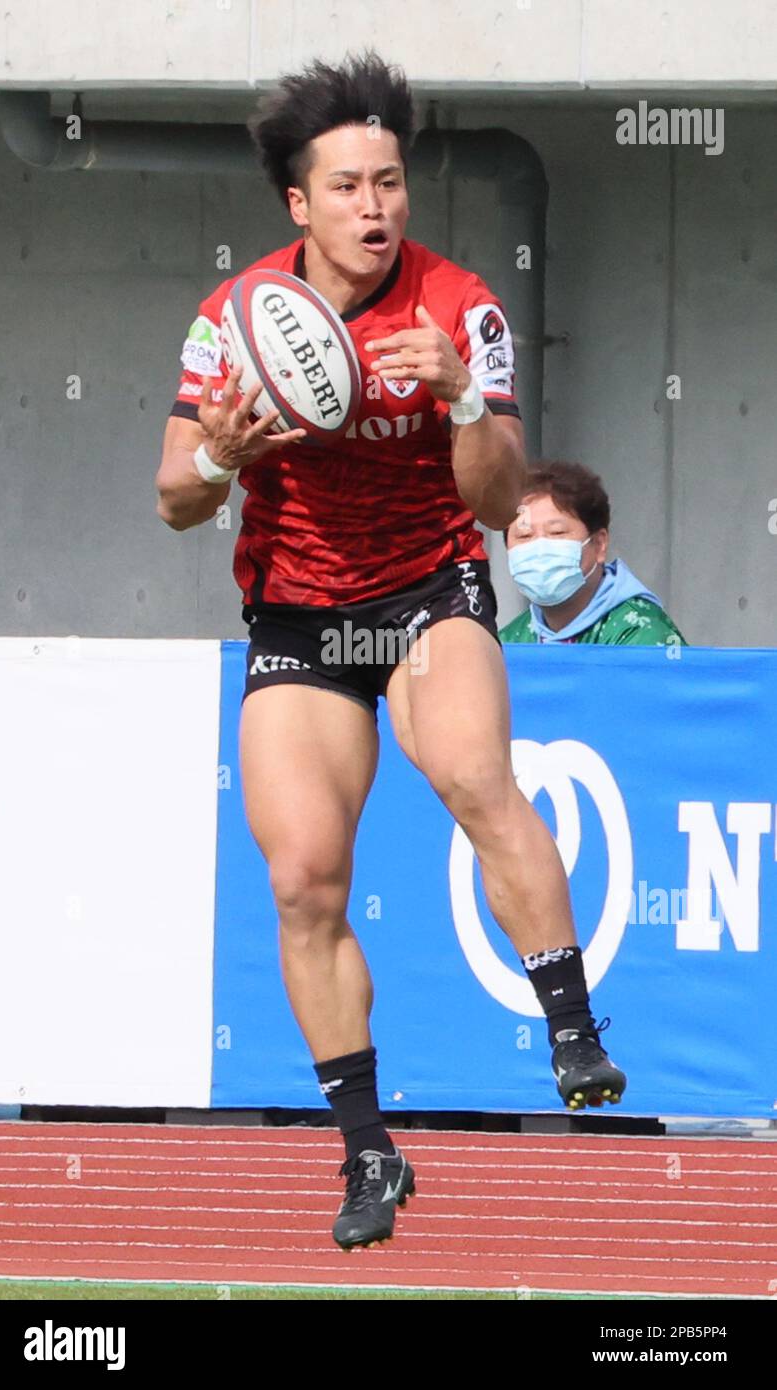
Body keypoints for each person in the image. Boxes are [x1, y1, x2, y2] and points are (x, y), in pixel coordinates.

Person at [156, 52, 626, 1251]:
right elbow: (171, 497)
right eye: (350, 187)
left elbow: (495, 497)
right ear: (297, 205)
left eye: (392, 182)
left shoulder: (456, 303)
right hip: (300, 613)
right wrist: (224, 456)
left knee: (473, 772)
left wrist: (464, 399)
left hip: (427, 588)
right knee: (302, 875)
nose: (376, 207)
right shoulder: (237, 317)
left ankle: (571, 1029)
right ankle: (367, 1149)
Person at [501, 461, 687, 645]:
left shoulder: (642, 635)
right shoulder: (506, 642)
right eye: (524, 536)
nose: (539, 549)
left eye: (557, 532)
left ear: (599, 544)